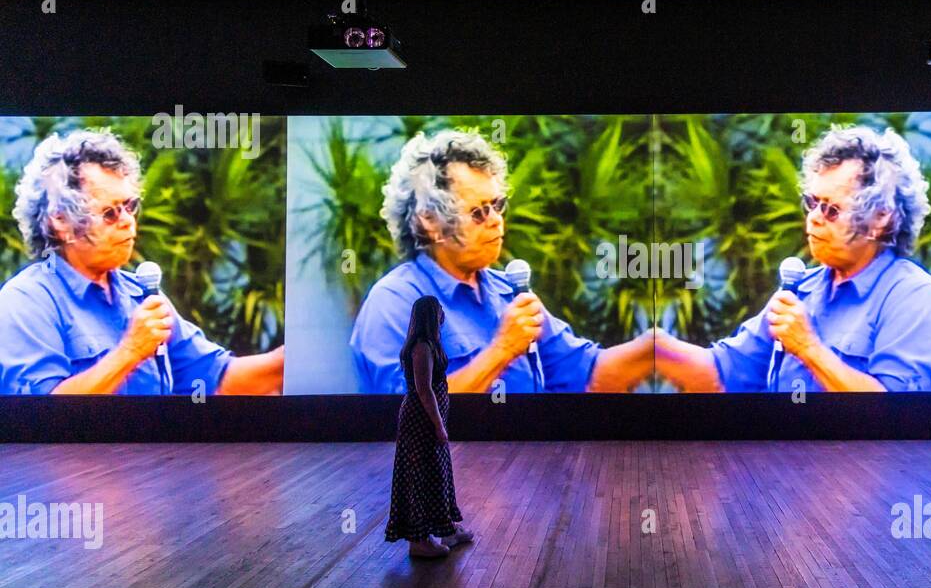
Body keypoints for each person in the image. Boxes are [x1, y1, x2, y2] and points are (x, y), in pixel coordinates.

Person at [653, 126, 931, 392]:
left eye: (831, 209)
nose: (813, 219)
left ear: (880, 218)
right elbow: (723, 372)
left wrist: (808, 347)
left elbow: (898, 417)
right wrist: (652, 350)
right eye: (812, 203)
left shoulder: (914, 298)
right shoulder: (803, 288)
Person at [349, 129, 654, 394]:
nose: (496, 221)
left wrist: (659, 350)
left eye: (497, 205)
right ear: (430, 221)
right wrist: (502, 350)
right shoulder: (395, 302)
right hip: (448, 463)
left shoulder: (509, 291)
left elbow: (590, 374)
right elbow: (408, 411)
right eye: (479, 212)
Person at [0, 129, 284, 395]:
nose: (128, 222)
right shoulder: (27, 301)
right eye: (110, 213)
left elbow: (216, 379)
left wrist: (290, 358)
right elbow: (40, 416)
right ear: (60, 221)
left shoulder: (140, 293)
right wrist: (131, 352)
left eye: (130, 206)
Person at [384, 296, 471, 559]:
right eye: (439, 311)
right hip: (420, 422)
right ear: (432, 316)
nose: (444, 314)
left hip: (428, 421)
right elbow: (424, 391)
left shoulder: (432, 345)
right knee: (420, 476)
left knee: (438, 473)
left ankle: (446, 528)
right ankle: (418, 540)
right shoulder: (422, 348)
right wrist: (438, 425)